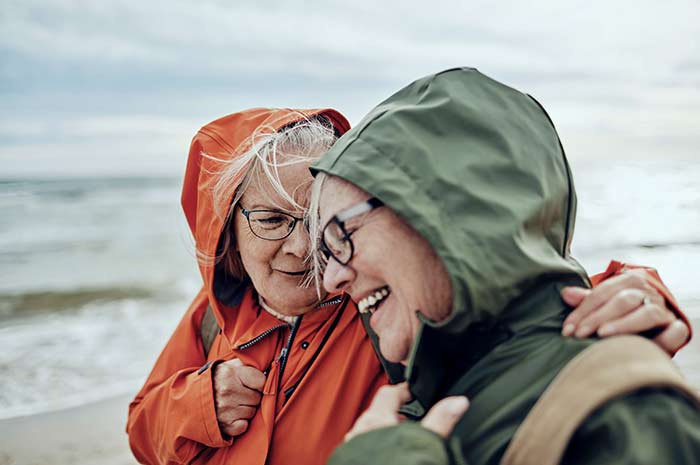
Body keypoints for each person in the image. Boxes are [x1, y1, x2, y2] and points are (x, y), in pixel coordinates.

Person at [127, 106, 690, 465]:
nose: (303, 249)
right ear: (226, 232)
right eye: (273, 221)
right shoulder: (211, 314)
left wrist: (639, 289)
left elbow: (513, 296)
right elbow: (140, 428)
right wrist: (199, 404)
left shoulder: (381, 306)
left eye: (319, 223)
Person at [313, 68, 700, 464]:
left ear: (445, 209)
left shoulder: (626, 413)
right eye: (325, 251)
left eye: (342, 234)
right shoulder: (434, 395)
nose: (331, 279)